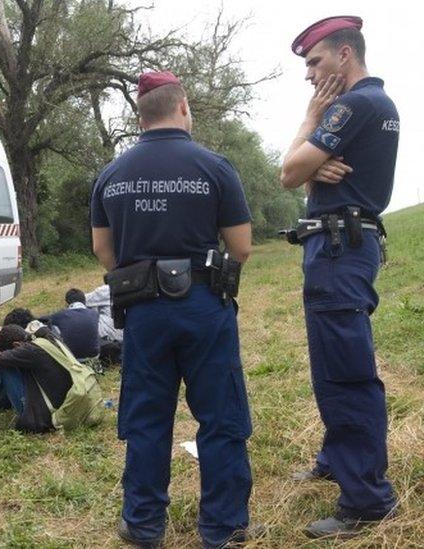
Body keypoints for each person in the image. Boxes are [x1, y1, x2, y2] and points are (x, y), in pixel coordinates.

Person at [90, 71, 254, 548]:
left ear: (140, 116)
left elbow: (104, 251)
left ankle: (143, 525)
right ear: (183, 107)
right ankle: (223, 529)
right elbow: (241, 246)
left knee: (146, 417)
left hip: (142, 310)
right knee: (221, 418)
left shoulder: (111, 175)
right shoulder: (214, 166)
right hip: (205, 306)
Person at [279, 16, 398, 538]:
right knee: (335, 360)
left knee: (344, 370)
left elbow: (287, 171)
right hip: (343, 242)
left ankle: (367, 500)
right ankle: (337, 457)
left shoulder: (354, 104)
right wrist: (311, 168)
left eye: (315, 62)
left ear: (344, 55)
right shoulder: (372, 107)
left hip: (337, 247)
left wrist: (310, 122)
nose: (310, 75)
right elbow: (302, 177)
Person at [40, 288, 101, 360]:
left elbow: (41, 319)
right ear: (84, 301)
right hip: (94, 356)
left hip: (71, 358)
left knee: (52, 326)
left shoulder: (60, 315)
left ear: (66, 303)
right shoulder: (94, 313)